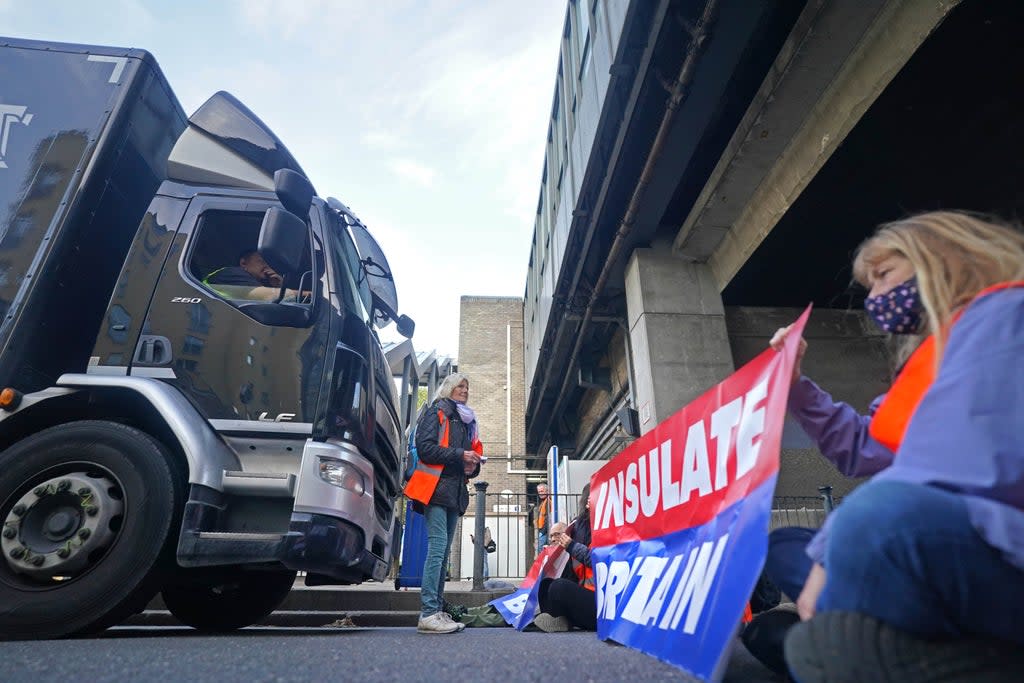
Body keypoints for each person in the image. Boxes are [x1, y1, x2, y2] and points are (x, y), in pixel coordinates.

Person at [762, 211, 1024, 680]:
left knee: (873, 522)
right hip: (949, 545)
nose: (875, 298)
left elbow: (968, 461)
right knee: (784, 546)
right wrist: (796, 385)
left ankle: (836, 646)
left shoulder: (1006, 314)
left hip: (1001, 541)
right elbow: (863, 447)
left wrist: (839, 539)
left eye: (884, 276)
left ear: (943, 259)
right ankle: (859, 645)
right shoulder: (929, 360)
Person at [407, 373, 483, 634]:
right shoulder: (437, 412)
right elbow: (425, 448)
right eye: (460, 385)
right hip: (436, 488)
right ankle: (428, 613)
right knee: (438, 548)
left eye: (467, 386)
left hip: (453, 490)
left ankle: (436, 611)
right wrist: (461, 454)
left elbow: (462, 459)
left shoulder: (466, 420)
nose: (465, 390)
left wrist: (471, 467)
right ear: (449, 389)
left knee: (443, 553)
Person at [533, 484, 595, 633]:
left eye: (558, 535)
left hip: (602, 602)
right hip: (586, 594)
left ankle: (562, 619)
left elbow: (599, 560)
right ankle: (559, 618)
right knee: (546, 585)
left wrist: (572, 547)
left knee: (559, 587)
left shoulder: (609, 529)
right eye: (552, 536)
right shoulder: (580, 529)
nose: (555, 538)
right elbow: (571, 575)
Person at [204, 248, 309, 302]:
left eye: (270, 264)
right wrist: (311, 296)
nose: (268, 266)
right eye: (262, 261)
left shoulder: (252, 281)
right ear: (243, 263)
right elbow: (268, 296)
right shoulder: (230, 273)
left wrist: (279, 286)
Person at [534, 483, 550, 551]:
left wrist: (543, 532)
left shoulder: (548, 502)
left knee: (540, 548)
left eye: (542, 491)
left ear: (547, 491)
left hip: (545, 531)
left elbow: (548, 518)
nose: (540, 493)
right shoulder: (543, 503)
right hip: (542, 530)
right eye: (539, 492)